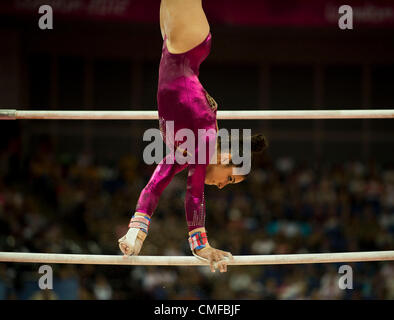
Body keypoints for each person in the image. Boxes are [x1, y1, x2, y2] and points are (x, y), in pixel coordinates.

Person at [118, 0, 267, 273]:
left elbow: (156, 183)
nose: (223, 186)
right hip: (189, 46)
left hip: (174, 46)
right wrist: (201, 245)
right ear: (225, 157)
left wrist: (135, 233)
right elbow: (194, 194)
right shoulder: (205, 140)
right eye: (230, 177)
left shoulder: (188, 151)